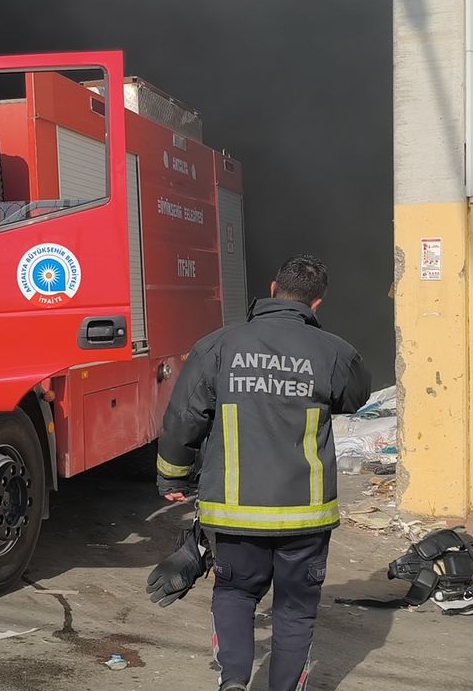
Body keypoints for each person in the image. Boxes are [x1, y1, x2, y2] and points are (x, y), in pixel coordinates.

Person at [156, 255, 371, 691]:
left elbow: (183, 417)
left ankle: (234, 683)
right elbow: (355, 396)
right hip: (304, 517)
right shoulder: (334, 352)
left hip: (235, 513)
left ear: (272, 290)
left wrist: (173, 477)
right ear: (316, 303)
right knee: (295, 610)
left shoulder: (218, 346)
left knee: (235, 593)